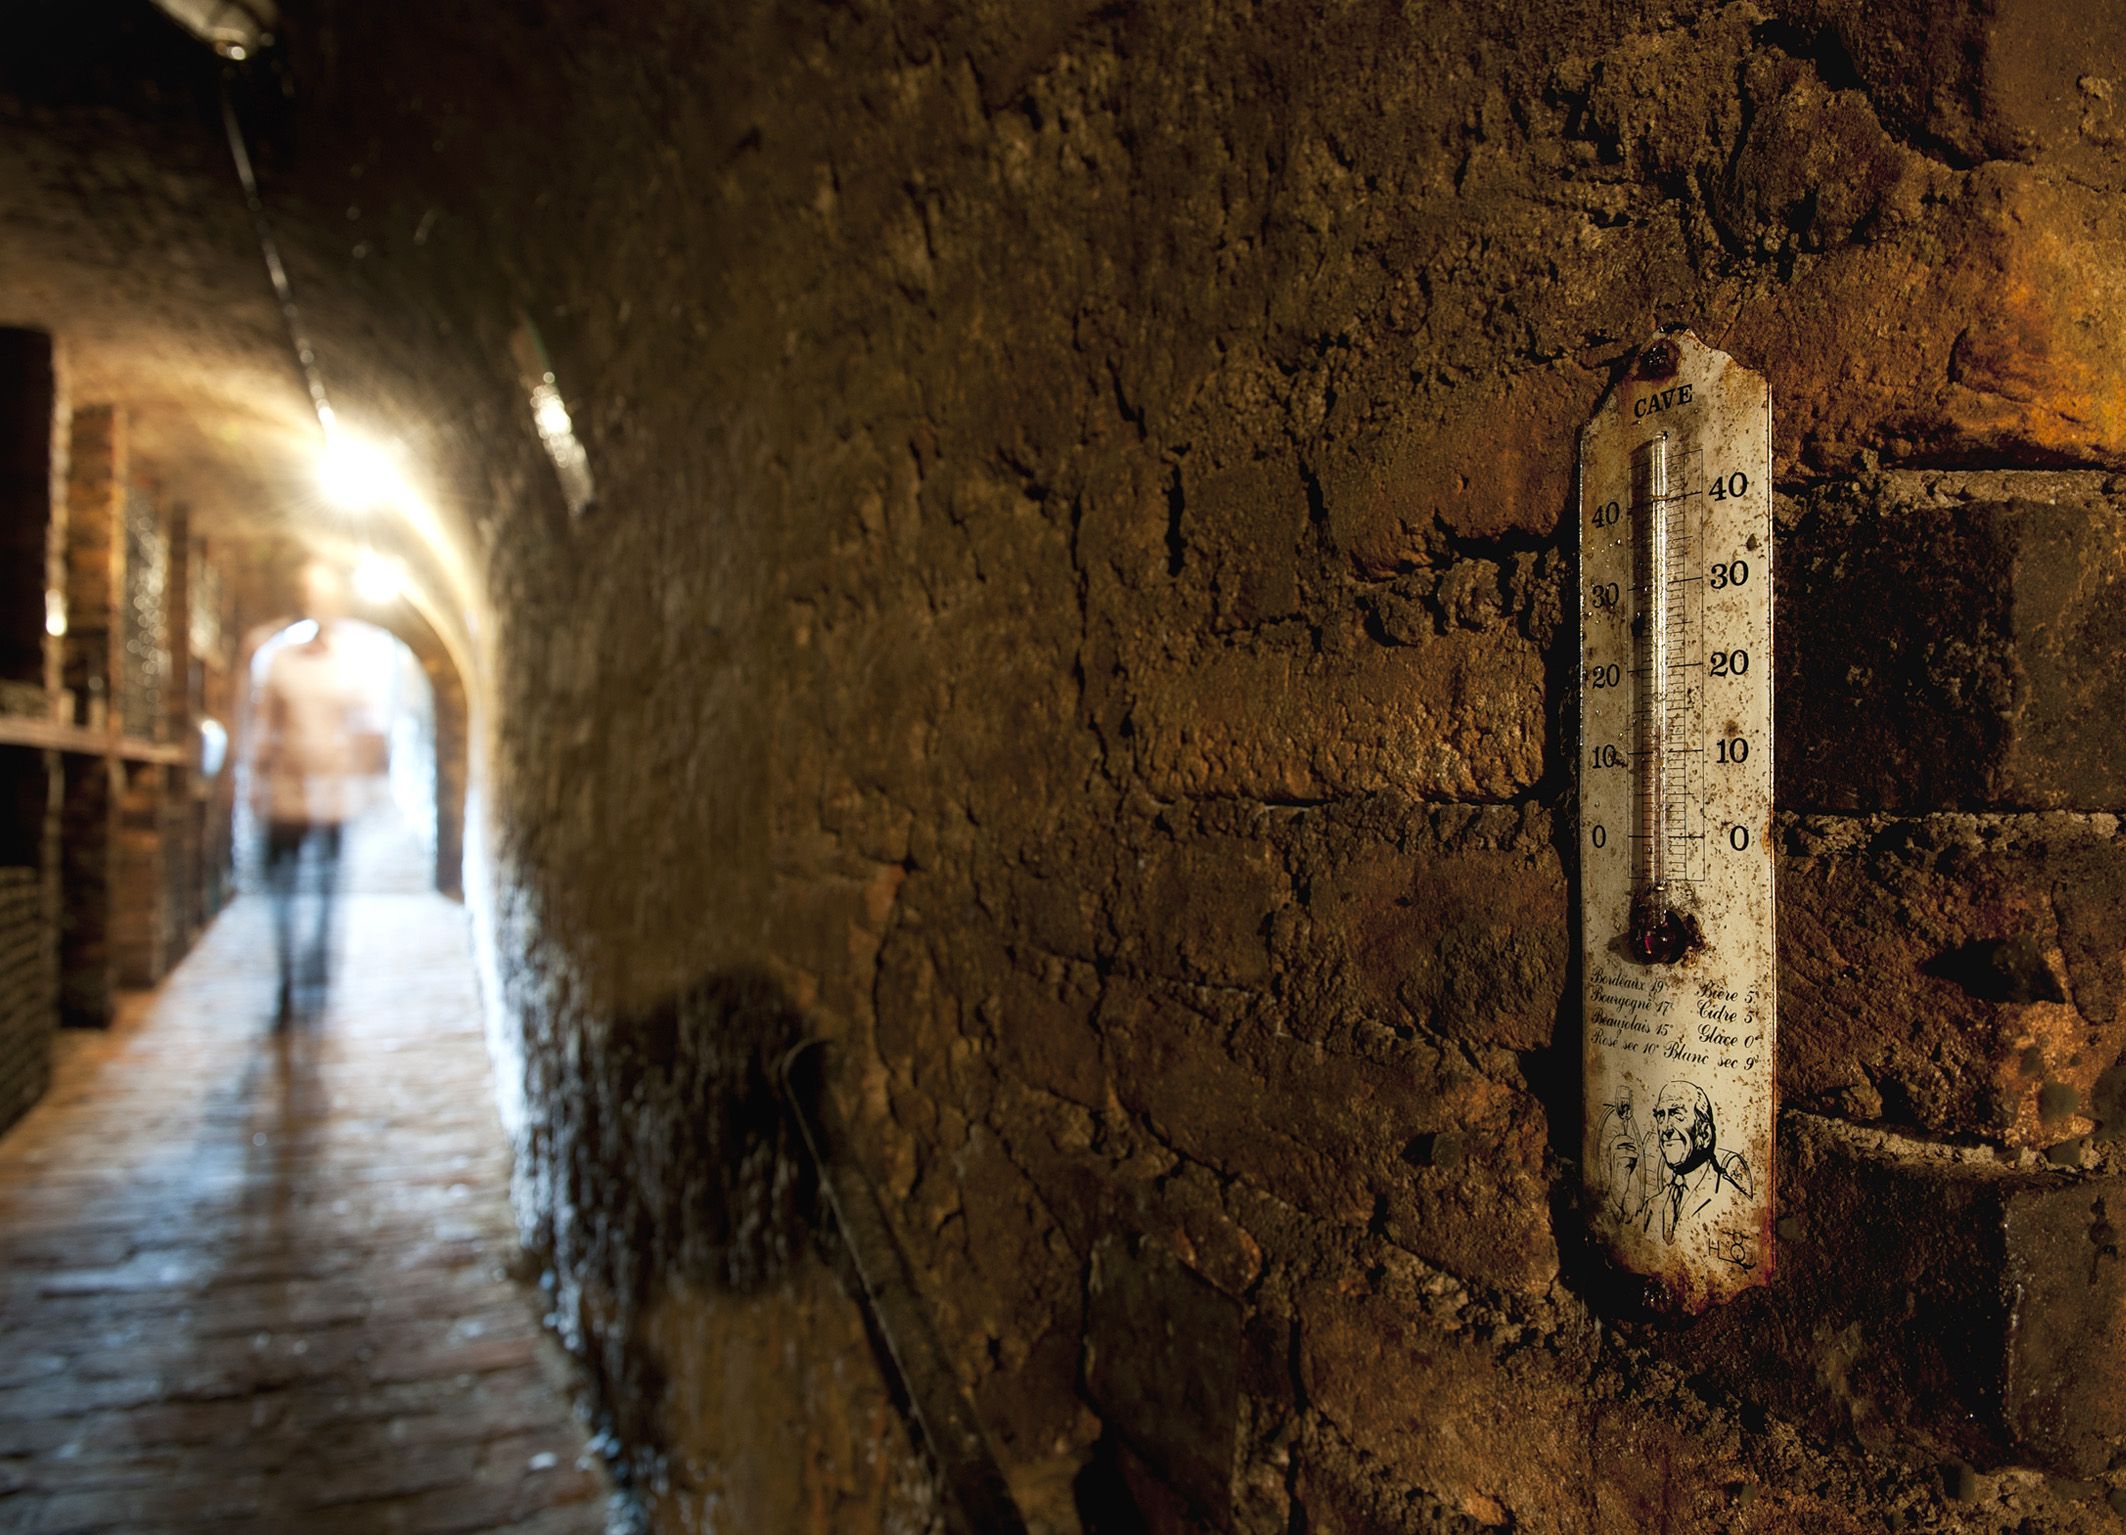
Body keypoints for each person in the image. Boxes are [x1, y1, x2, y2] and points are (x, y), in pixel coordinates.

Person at [251, 563, 384, 1023]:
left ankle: (319, 967)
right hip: (286, 796)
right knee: (283, 890)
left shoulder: (353, 663)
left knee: (326, 890)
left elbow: (368, 730)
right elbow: (265, 724)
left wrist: (360, 782)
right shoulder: (279, 661)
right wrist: (254, 780)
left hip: (332, 798)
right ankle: (289, 977)